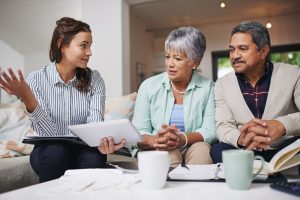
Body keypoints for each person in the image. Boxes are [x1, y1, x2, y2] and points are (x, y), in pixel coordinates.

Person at [0, 17, 124, 182]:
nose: (89, 52)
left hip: (84, 149)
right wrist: (27, 97)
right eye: (83, 45)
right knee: (56, 151)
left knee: (95, 157)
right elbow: (48, 134)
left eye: (90, 45)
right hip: (49, 151)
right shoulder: (36, 79)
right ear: (62, 44)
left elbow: (94, 125)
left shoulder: (95, 79)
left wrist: (103, 141)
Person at [210, 21, 300, 163]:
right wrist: (240, 139)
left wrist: (281, 125)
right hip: (245, 151)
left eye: (243, 49)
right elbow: (223, 125)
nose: (235, 56)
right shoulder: (221, 85)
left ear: (263, 51)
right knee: (217, 150)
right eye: (232, 49)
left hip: (283, 147)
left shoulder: (294, 74)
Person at [133, 26, 217, 167]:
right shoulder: (148, 86)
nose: (169, 64)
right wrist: (158, 140)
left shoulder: (208, 88)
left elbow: (210, 130)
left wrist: (181, 138)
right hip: (158, 145)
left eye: (177, 58)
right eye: (167, 57)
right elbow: (138, 131)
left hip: (193, 145)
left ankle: (200, 189)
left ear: (195, 62)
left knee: (201, 151)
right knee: (168, 154)